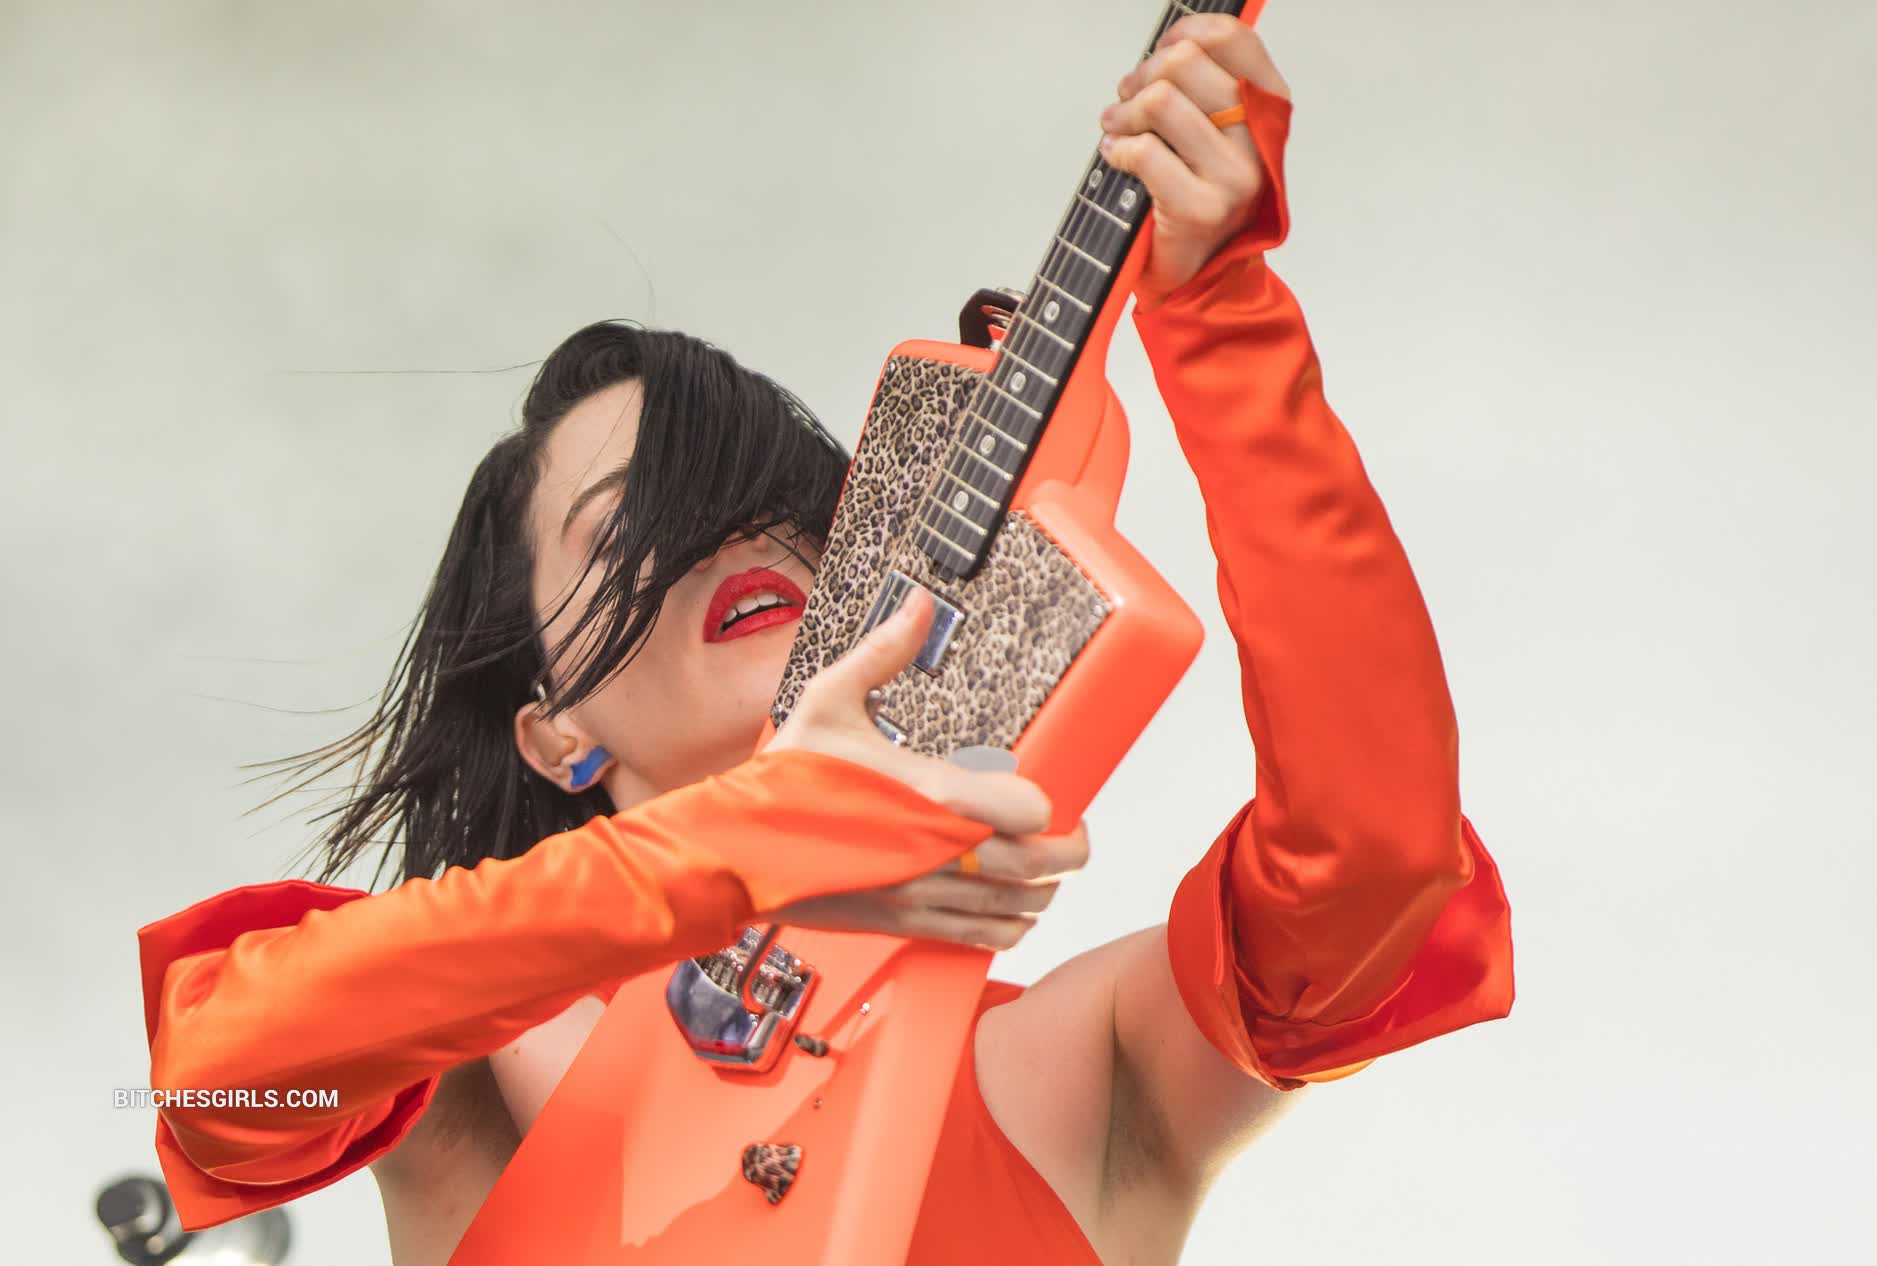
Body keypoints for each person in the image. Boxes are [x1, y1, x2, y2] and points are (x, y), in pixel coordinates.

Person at [136, 15, 1513, 1266]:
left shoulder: (1080, 1061)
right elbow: (219, 1075)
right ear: (554, 734)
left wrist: (1220, 319)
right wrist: (761, 838)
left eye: (766, 502)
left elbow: (1376, 862)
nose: (724, 540)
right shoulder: (474, 1066)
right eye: (625, 531)